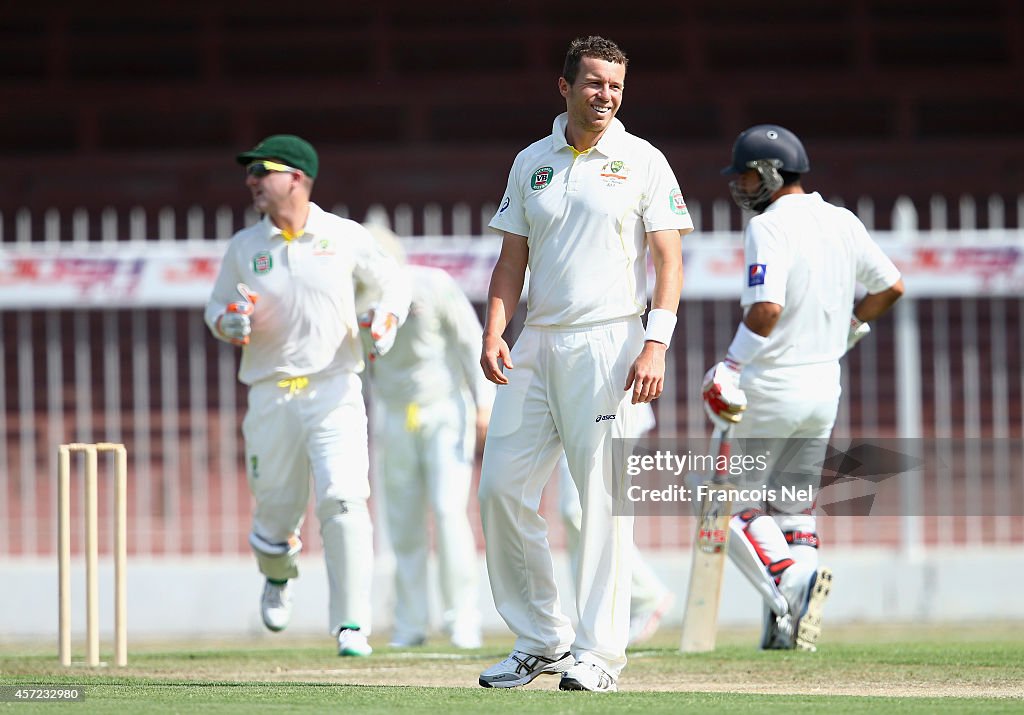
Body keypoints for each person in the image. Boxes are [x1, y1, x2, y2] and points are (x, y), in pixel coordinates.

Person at [476, 36, 692, 693]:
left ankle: (600, 652)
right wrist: (493, 329)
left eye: (616, 87)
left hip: (610, 340)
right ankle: (542, 636)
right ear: (564, 87)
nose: (605, 96)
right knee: (500, 489)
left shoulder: (642, 159)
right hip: (538, 341)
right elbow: (512, 259)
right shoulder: (531, 162)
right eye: (594, 83)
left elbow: (668, 259)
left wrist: (656, 341)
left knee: (598, 501)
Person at [204, 134, 409, 657]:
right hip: (272, 393)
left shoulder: (343, 236)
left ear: (296, 177)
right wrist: (230, 322)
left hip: (334, 387)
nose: (251, 181)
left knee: (344, 498)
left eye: (261, 172)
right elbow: (218, 310)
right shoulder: (245, 248)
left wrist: (384, 321)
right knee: (274, 517)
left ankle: (351, 624)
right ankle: (278, 572)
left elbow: (393, 285)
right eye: (249, 173)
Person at [702, 124, 904, 651]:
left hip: (769, 383)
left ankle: (793, 582)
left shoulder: (769, 226)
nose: (741, 186)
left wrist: (729, 364)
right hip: (823, 386)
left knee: (729, 506)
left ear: (770, 173)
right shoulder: (841, 220)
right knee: (792, 508)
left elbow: (766, 309)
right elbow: (891, 287)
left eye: (746, 175)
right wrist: (851, 330)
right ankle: (787, 630)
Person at [360, 224, 494, 650]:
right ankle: (410, 622)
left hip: (444, 411)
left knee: (448, 511)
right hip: (394, 415)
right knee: (402, 523)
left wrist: (484, 405)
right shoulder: (354, 297)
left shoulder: (432, 284)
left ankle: (462, 619)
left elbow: (471, 340)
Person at [555, 401, 674, 646]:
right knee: (576, 514)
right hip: (571, 406)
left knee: (581, 510)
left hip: (607, 404)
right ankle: (597, 613)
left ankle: (644, 596)